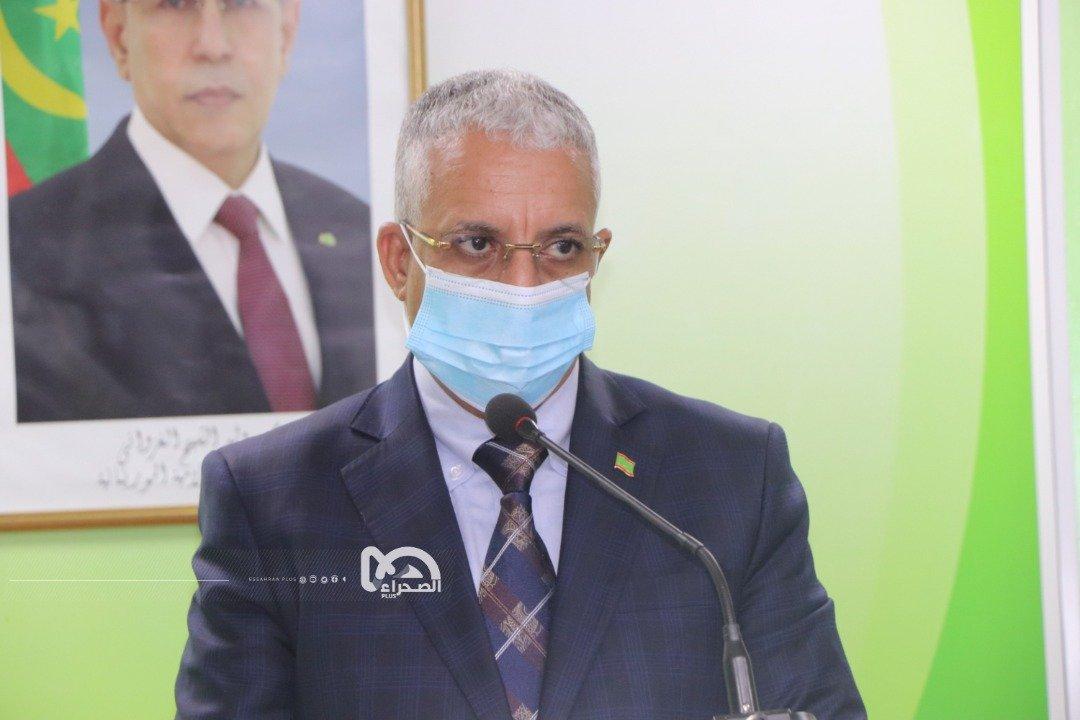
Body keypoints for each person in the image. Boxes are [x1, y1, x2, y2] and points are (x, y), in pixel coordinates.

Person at [174, 70, 865, 719]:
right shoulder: (270, 499)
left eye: (562, 247)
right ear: (398, 260)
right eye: (478, 243)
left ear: (597, 256)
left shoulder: (733, 476)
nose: (523, 286)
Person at [9, 0, 375, 422]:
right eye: (176, 4)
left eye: (242, 4)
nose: (212, 46)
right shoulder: (22, 254)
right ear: (119, 34)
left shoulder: (361, 233)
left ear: (287, 31)